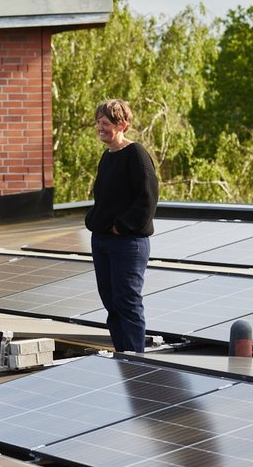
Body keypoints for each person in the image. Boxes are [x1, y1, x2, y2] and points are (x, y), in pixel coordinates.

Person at [84, 99, 159, 353]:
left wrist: (121, 227)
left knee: (127, 303)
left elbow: (148, 200)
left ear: (122, 125)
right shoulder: (107, 157)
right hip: (104, 241)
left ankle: (135, 359)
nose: (100, 127)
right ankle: (121, 354)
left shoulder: (136, 154)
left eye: (105, 123)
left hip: (128, 244)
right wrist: (95, 221)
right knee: (111, 302)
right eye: (98, 122)